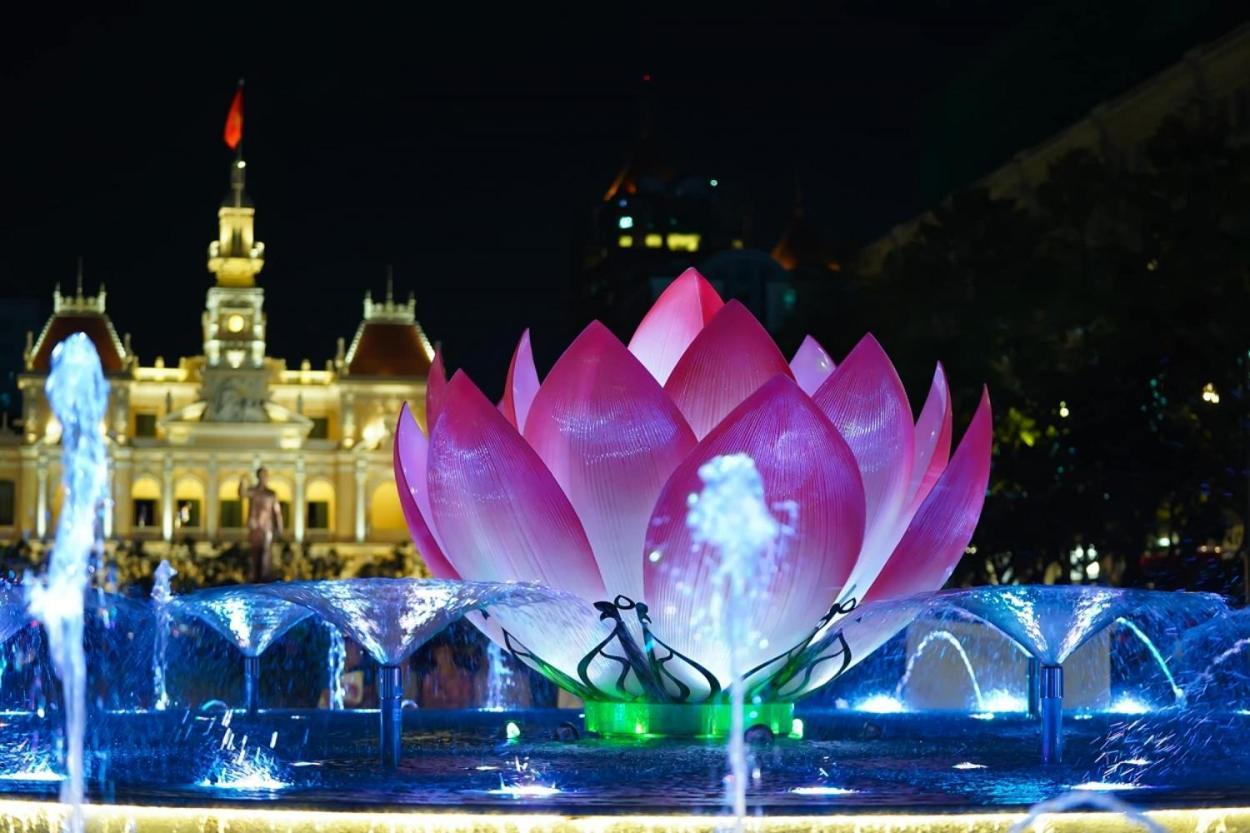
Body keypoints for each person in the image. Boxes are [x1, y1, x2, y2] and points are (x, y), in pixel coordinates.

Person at [239, 467, 282, 582]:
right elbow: (242, 494)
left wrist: (280, 527)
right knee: (254, 554)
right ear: (258, 477)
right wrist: (242, 481)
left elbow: (277, 512)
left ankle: (265, 578)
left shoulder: (271, 494)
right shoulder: (253, 491)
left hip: (267, 528)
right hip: (255, 527)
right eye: (262, 475)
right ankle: (254, 579)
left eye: (265, 475)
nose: (264, 477)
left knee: (265, 554)